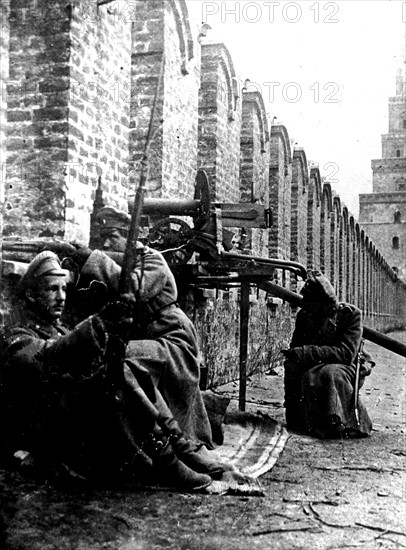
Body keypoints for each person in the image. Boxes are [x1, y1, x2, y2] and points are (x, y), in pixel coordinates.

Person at [1, 251, 216, 491]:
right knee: (119, 372)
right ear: (30, 295)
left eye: (64, 289)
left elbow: (75, 353)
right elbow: (47, 356)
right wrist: (98, 326)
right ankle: (168, 461)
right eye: (52, 290)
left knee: (125, 366)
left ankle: (178, 447)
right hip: (50, 428)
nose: (61, 298)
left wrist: (108, 338)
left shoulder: (57, 327)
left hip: (74, 415)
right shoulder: (17, 334)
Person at [78, 206, 216, 452]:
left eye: (114, 236)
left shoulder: (152, 259)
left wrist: (93, 259)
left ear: (130, 237)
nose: (108, 242)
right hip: (152, 334)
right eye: (103, 237)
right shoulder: (119, 263)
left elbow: (134, 288)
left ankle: (169, 442)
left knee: (123, 357)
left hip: (173, 339)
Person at [282, 270, 374, 439]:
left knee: (328, 373)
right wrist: (295, 354)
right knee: (294, 366)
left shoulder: (350, 315)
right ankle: (302, 420)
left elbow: (346, 353)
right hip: (316, 362)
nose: (308, 306)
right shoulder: (305, 316)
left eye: (312, 303)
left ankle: (341, 421)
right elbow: (297, 346)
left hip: (349, 365)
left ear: (325, 302)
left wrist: (306, 352)